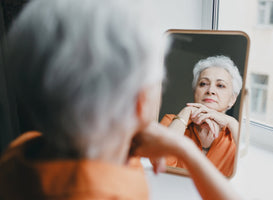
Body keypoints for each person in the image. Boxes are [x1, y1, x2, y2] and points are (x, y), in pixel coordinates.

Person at [0, 0, 241, 199]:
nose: (211, 90)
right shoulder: (116, 192)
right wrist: (185, 149)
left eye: (221, 86)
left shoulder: (20, 150)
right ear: (139, 103)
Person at [161, 55, 242, 177]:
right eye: (203, 83)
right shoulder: (172, 121)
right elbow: (160, 161)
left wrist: (231, 122)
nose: (210, 90)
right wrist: (186, 111)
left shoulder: (235, 135)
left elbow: (253, 170)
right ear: (195, 91)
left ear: (232, 99)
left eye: (220, 85)